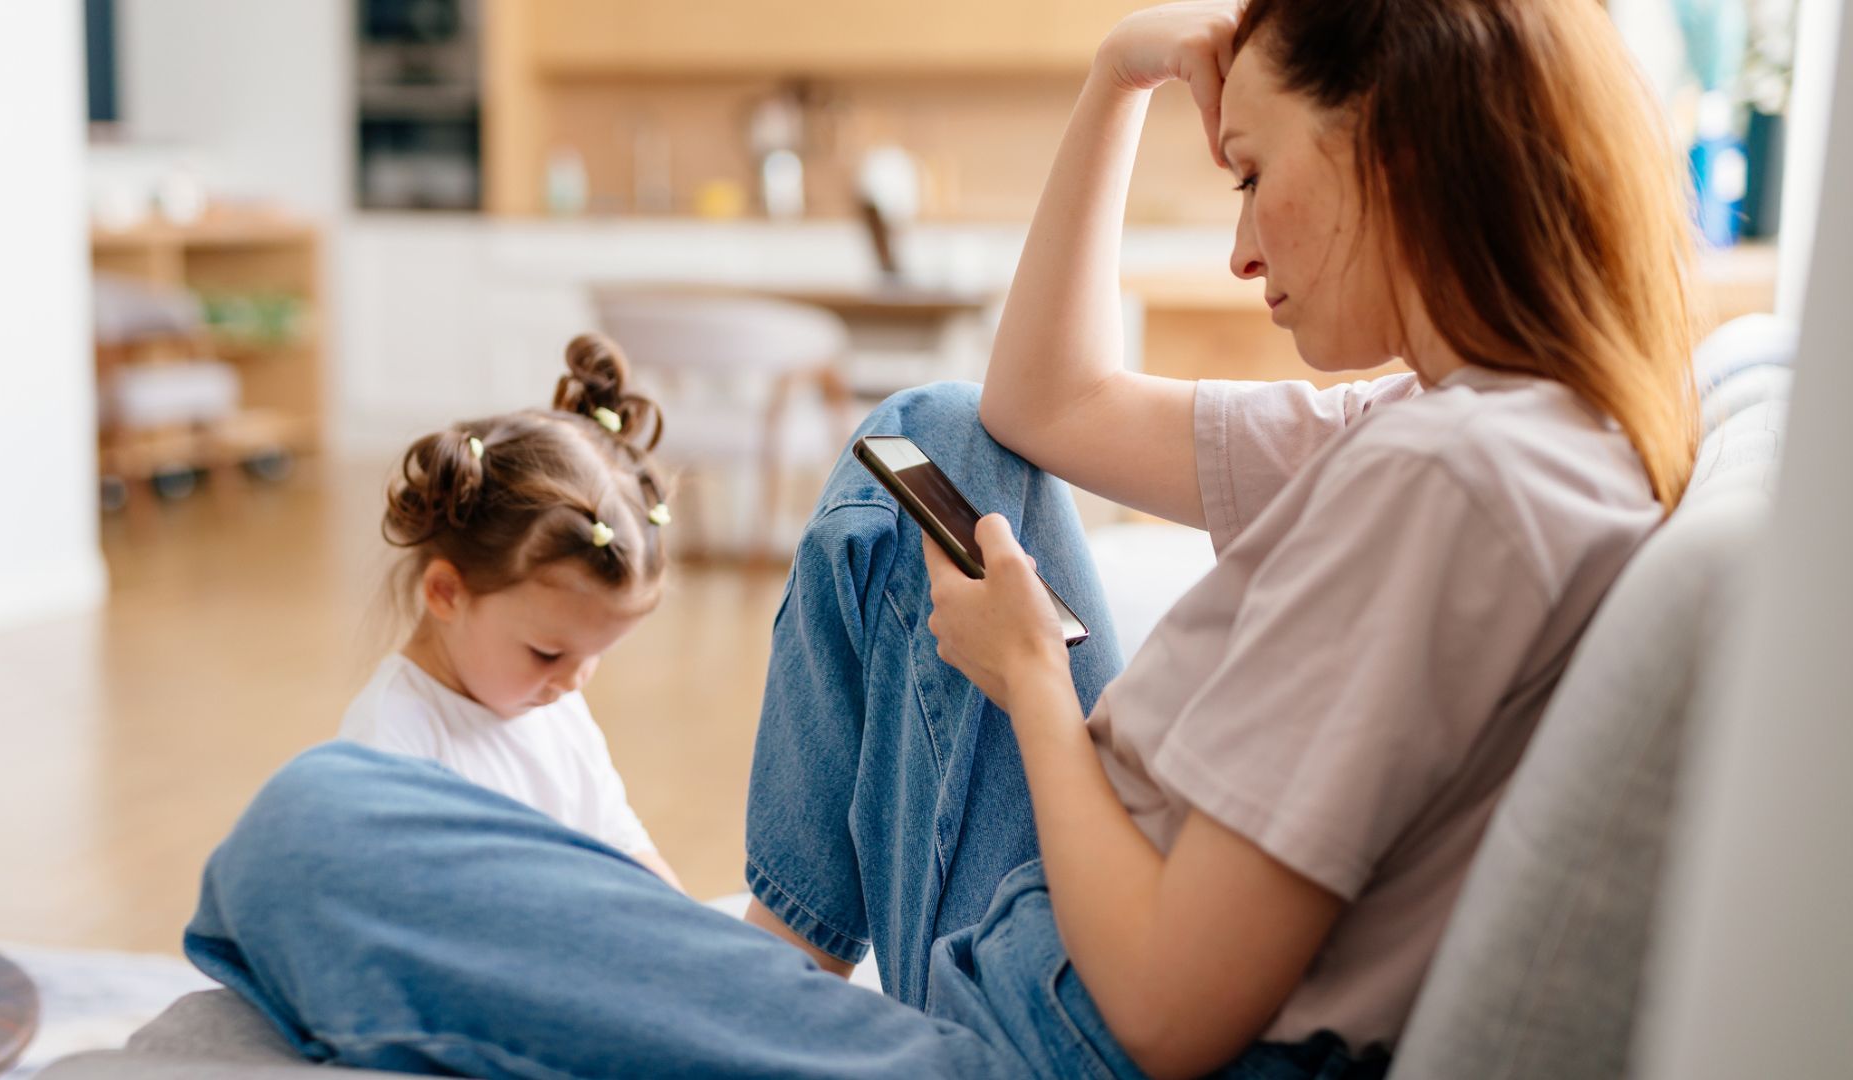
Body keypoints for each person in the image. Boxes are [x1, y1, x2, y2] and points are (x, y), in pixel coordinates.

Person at [183, 1, 1698, 1077]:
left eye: (1250, 170)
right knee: (934, 433)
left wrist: (1035, 680)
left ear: (1395, 150)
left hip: (1061, 1032)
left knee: (313, 832)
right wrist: (1116, 77)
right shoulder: (1453, 422)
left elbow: (1169, 1017)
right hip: (1059, 942)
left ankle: (756, 1003)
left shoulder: (1449, 479)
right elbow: (1039, 405)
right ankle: (773, 966)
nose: (1239, 246)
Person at [338, 333, 683, 891]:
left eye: (594, 656)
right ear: (447, 592)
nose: (574, 681)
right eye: (549, 652)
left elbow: (620, 841)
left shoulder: (553, 706)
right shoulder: (391, 743)